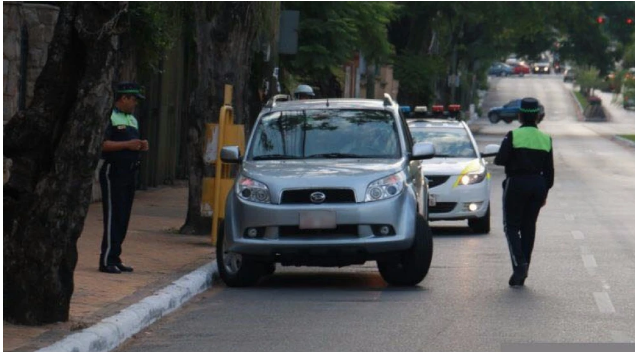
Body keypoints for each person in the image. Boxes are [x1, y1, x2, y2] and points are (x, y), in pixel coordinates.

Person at [494, 97, 554, 287]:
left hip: (516, 183)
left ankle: (519, 264)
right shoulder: (546, 139)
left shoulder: (513, 135)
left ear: (519, 116)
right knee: (529, 227)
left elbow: (500, 160)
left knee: (511, 226)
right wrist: (544, 191)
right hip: (538, 185)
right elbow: (550, 173)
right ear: (538, 117)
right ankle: (524, 266)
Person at [98, 82, 148, 274]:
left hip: (130, 172)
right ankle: (106, 259)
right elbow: (102, 144)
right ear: (124, 98)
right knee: (113, 216)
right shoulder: (110, 116)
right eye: (133, 99)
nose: (135, 103)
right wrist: (128, 144)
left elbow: (130, 144)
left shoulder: (132, 120)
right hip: (114, 172)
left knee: (123, 217)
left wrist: (141, 145)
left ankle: (116, 256)